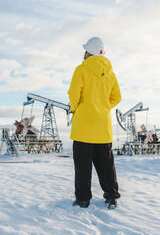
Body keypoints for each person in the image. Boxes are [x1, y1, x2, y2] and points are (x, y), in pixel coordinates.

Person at [68, 37, 122, 208]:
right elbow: (117, 97)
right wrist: (104, 107)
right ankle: (111, 196)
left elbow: (73, 95)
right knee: (106, 165)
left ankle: (83, 199)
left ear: (87, 52)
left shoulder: (81, 70)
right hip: (103, 128)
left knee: (83, 166)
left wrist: (76, 109)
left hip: (84, 127)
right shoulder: (110, 73)